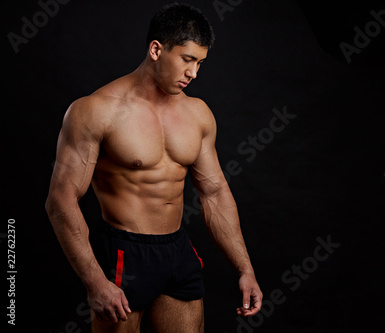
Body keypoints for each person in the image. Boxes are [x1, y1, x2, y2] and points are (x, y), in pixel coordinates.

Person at [45, 3, 262, 332]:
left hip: (177, 250)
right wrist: (94, 281)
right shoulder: (97, 111)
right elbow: (60, 200)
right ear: (157, 49)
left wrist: (245, 269)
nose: (194, 73)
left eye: (200, 63)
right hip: (124, 255)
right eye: (187, 60)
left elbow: (215, 193)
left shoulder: (198, 114)